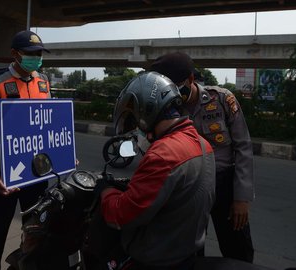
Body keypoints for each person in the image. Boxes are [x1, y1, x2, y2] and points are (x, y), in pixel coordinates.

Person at [96, 72, 216, 269]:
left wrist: (105, 190)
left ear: (147, 112)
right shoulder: (203, 145)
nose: (136, 128)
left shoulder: (163, 154)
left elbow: (121, 216)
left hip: (156, 257)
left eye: (135, 121)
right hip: (186, 250)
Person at [151, 52, 255, 263]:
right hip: (189, 187)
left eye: (176, 88)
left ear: (191, 79)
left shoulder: (223, 99)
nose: (172, 95)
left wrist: (241, 197)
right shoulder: (166, 107)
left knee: (238, 249)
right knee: (189, 250)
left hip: (224, 185)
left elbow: (243, 146)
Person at [0, 30, 52, 270]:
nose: (36, 58)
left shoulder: (43, 82)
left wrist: (63, 154)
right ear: (15, 54)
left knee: (35, 230)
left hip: (37, 174)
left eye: (39, 53)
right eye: (31, 53)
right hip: (6, 176)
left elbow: (50, 124)